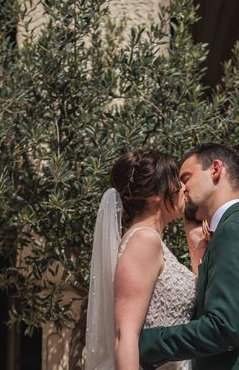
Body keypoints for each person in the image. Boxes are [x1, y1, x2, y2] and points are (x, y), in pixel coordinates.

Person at [138, 143, 239, 370]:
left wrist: (147, 342)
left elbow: (223, 328)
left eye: (186, 177)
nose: (181, 188)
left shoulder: (236, 230)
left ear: (216, 169)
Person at [85, 148, 207, 370]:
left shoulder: (150, 241)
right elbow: (125, 335)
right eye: (176, 181)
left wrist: (195, 245)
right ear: (155, 195)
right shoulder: (144, 240)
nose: (183, 188)